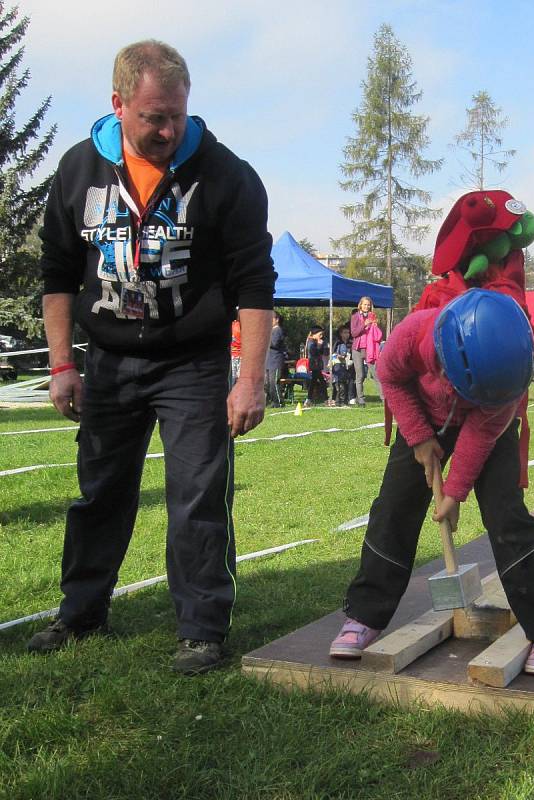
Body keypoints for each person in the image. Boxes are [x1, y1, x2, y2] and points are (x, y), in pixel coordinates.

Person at [29, 41, 274, 675]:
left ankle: (201, 628)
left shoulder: (228, 175)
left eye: (178, 116)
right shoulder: (78, 171)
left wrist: (249, 381)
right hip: (107, 357)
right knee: (100, 491)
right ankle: (80, 612)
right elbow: (57, 273)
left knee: (197, 491)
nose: (168, 130)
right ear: (117, 105)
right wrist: (62, 364)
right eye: (152, 117)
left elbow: (253, 282)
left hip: (192, 361)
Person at [329, 290, 534, 675]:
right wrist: (420, 437)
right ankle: (364, 614)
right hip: (423, 417)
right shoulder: (413, 335)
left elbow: (480, 435)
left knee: (506, 515)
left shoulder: (507, 377)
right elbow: (390, 378)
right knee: (393, 507)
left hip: (487, 427)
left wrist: (456, 492)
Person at [350, 296, 383, 406]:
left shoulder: (372, 316)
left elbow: (377, 334)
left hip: (370, 349)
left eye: (368, 305)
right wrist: (364, 325)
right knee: (360, 375)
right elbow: (354, 333)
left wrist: (375, 326)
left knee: (376, 374)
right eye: (364, 304)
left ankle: (384, 398)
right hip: (358, 349)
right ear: (360, 305)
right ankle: (361, 399)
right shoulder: (355, 316)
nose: (366, 306)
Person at [265, 313, 286, 408]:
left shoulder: (278, 330)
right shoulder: (271, 331)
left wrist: (264, 338)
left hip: (276, 361)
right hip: (269, 361)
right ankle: (273, 401)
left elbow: (274, 343)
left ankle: (279, 402)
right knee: (269, 384)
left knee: (274, 383)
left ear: (277, 319)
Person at [305, 325, 329, 406]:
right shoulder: (311, 342)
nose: (321, 337)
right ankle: (326, 399)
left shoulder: (316, 341)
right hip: (314, 364)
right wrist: (319, 345)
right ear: (314, 334)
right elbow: (313, 352)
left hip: (318, 364)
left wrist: (322, 346)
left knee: (315, 382)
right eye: (320, 335)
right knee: (321, 382)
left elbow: (322, 352)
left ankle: (309, 399)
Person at [330, 325, 353, 406]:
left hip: (347, 365)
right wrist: (338, 356)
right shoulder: (338, 343)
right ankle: (339, 401)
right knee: (339, 384)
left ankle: (345, 400)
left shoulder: (350, 343)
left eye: (348, 333)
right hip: (338, 366)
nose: (347, 334)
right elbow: (333, 354)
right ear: (340, 334)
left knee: (346, 383)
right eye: (345, 332)